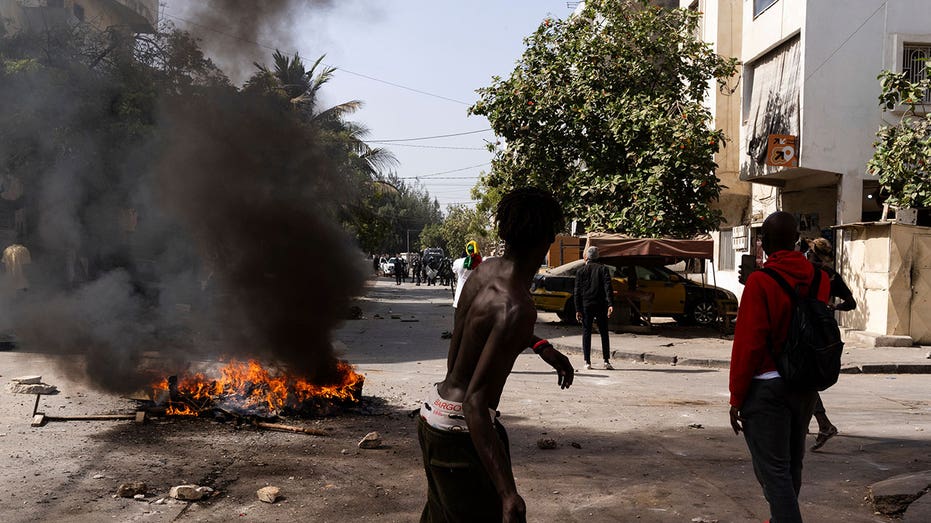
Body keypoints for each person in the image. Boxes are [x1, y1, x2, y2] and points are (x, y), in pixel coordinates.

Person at [418, 187, 575, 523]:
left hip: (433, 416)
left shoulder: (484, 271)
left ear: (505, 231)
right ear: (548, 237)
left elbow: (479, 328)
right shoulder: (518, 307)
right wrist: (508, 494)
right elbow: (475, 403)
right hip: (461, 434)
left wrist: (538, 345)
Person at [729, 211, 831, 523]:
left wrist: (736, 397)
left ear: (765, 243)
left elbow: (748, 344)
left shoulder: (760, 282)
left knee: (773, 472)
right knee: (791, 465)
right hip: (804, 384)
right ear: (797, 241)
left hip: (766, 386)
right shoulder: (819, 279)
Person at [805, 237, 856, 451]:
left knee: (803, 379)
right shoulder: (831, 275)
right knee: (806, 379)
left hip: (806, 331)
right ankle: (816, 422)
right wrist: (832, 307)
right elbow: (851, 303)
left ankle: (823, 424)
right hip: (825, 333)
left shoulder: (808, 272)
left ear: (812, 253)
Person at [573, 246, 614, 370]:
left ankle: (587, 361)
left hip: (586, 305)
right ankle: (606, 361)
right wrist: (610, 304)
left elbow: (577, 292)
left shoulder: (581, 271)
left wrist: (577, 309)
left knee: (586, 332)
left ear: (587, 257)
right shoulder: (603, 269)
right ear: (598, 257)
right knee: (604, 332)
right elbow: (608, 287)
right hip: (600, 305)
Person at [452, 240, 483, 308]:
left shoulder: (458, 262)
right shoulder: (482, 263)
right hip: (477, 300)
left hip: (460, 299)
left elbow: (454, 270)